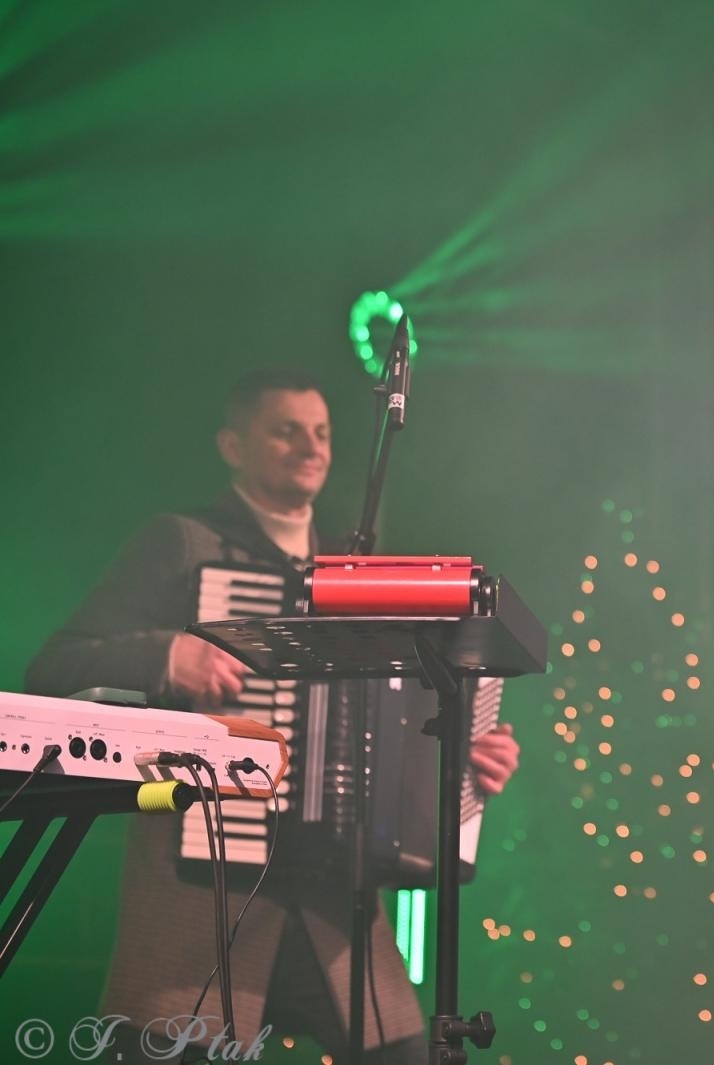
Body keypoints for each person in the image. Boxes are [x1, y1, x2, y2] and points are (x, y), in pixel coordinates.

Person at [25, 368, 520, 1065]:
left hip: (334, 896)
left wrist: (463, 765)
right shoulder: (183, 543)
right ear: (234, 444)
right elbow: (53, 666)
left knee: (408, 1055)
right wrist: (169, 654)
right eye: (285, 429)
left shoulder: (356, 570)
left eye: (320, 431)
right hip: (208, 886)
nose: (309, 445)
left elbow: (399, 720)